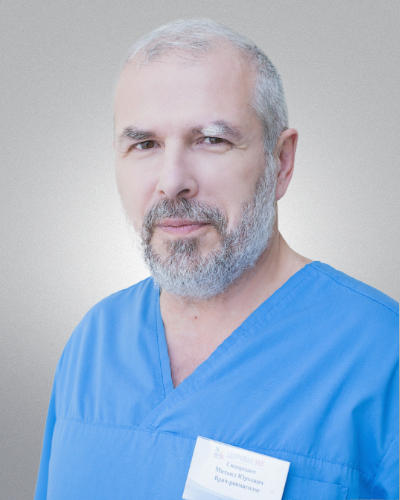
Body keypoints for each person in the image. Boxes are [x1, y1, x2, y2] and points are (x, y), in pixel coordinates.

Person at [34, 19, 398, 500]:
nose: (172, 182)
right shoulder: (94, 342)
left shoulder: (381, 355)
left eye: (211, 139)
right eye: (144, 144)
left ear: (281, 161)